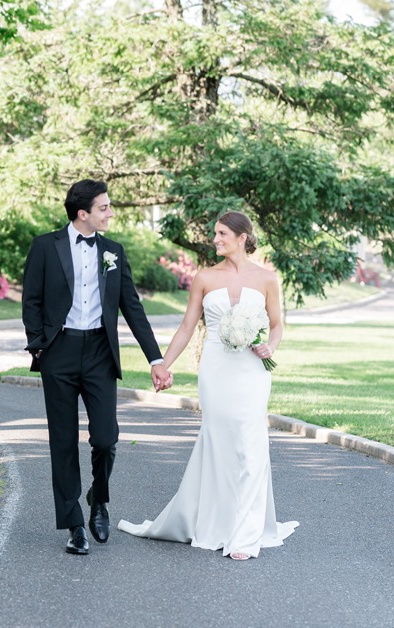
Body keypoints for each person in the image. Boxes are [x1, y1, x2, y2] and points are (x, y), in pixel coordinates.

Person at [117, 210, 299, 559]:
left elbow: (276, 325)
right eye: (214, 233)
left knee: (250, 443)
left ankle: (245, 535)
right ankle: (216, 523)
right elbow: (187, 327)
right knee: (218, 443)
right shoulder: (204, 277)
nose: (215, 239)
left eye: (221, 234)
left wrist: (270, 346)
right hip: (216, 370)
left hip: (252, 370)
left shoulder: (266, 279)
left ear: (242, 237)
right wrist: (163, 365)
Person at [21, 179, 171, 555]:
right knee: (63, 440)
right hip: (59, 352)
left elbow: (132, 308)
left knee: (105, 437)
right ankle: (73, 524)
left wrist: (156, 359)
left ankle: (98, 499)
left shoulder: (113, 252)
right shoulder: (44, 247)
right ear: (82, 213)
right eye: (104, 207)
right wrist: (40, 347)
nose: (110, 212)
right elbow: (31, 301)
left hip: (100, 354)